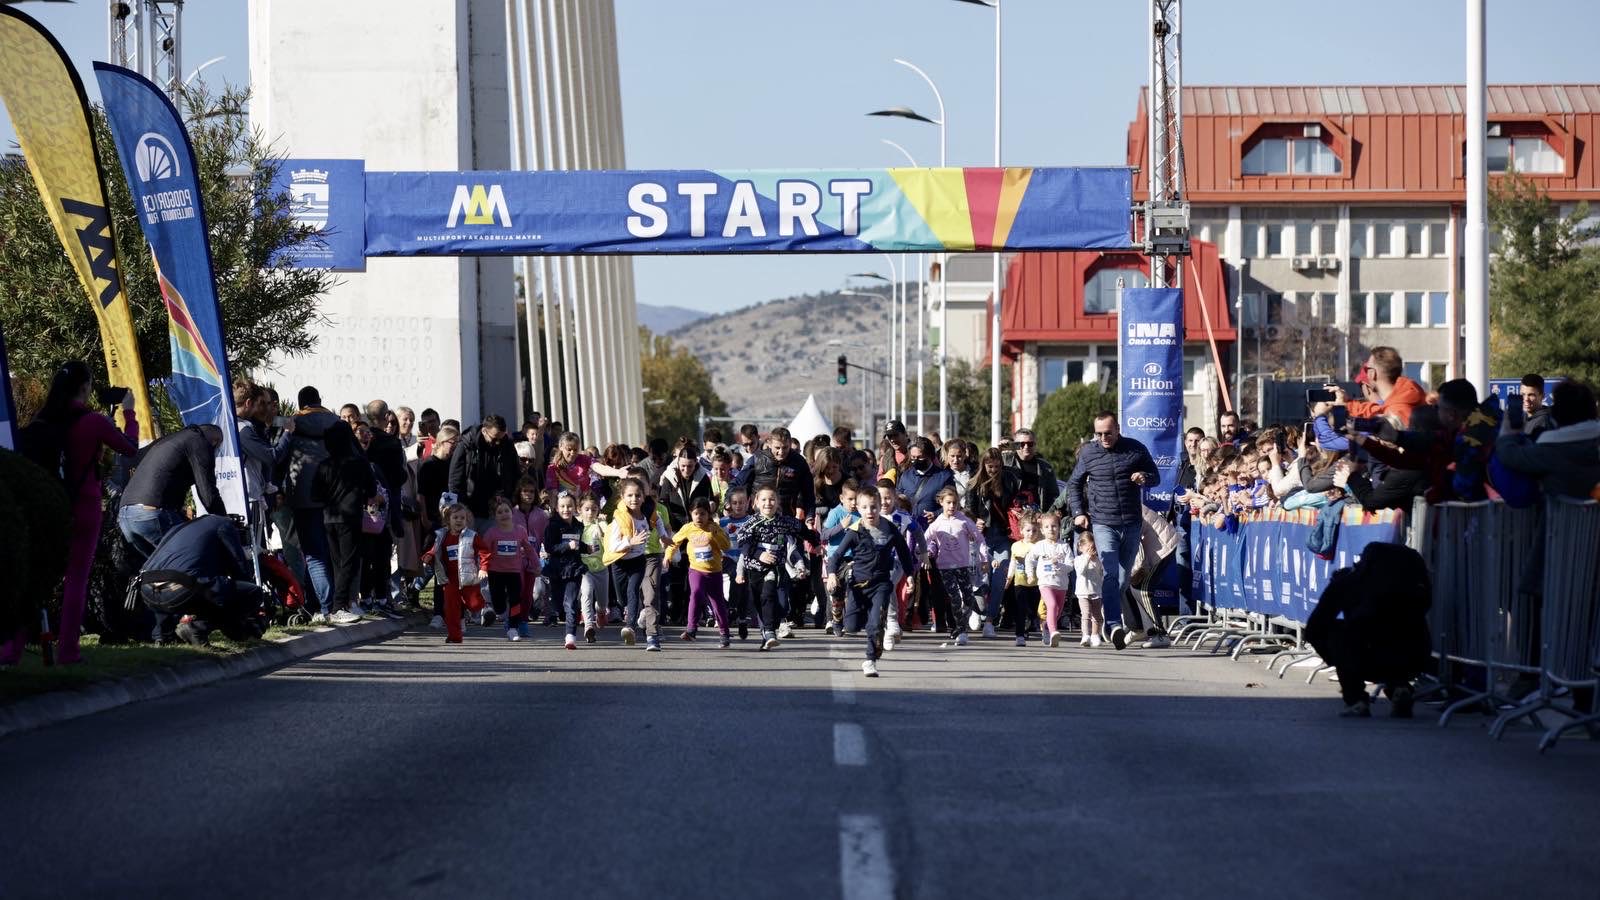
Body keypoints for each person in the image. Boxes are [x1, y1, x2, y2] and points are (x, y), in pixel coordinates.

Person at [2, 362, 139, 665]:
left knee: (38, 579)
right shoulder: (93, 422)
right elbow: (130, 448)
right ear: (85, 386)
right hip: (84, 506)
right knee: (76, 580)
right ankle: (68, 651)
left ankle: (11, 649)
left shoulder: (44, 419)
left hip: (50, 506)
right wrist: (129, 413)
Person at [1063, 411, 1159, 650]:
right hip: (1103, 522)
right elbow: (1074, 483)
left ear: (1117, 429)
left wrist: (1144, 477)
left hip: (1132, 522)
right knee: (1111, 574)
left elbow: (1155, 477)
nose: (1103, 438)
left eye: (1107, 433)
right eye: (1098, 434)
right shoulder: (1089, 452)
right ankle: (1113, 624)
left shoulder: (1135, 449)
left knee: (1124, 579)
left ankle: (1112, 618)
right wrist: (1079, 512)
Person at [1306, 542, 1432, 718]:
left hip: (1365, 658)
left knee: (1337, 632)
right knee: (1398, 633)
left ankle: (1356, 699)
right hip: (1415, 659)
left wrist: (1335, 659)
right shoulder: (1414, 587)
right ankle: (1399, 687)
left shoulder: (1348, 583)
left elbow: (1314, 628)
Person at [136, 515, 270, 647]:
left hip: (146, 589)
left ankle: (162, 636)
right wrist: (244, 613)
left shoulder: (179, 529)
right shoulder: (224, 524)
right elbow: (238, 566)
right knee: (252, 592)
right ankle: (197, 628)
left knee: (179, 583)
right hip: (181, 588)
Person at [826, 489, 914, 677]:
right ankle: (857, 617)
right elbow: (836, 556)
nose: (870, 511)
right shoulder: (855, 530)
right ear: (858, 508)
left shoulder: (889, 528)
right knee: (851, 626)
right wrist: (832, 574)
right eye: (865, 507)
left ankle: (870, 659)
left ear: (880, 507)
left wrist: (909, 575)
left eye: (874, 507)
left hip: (881, 583)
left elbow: (904, 552)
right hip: (858, 585)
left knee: (875, 624)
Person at [118, 423, 227, 562]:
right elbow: (208, 492)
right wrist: (224, 521)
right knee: (196, 557)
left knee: (161, 569)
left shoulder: (172, 440)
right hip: (152, 514)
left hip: (126, 517)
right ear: (214, 442)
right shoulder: (199, 441)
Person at [281, 386, 342, 621]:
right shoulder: (336, 422)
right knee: (328, 551)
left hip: (302, 496)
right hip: (334, 496)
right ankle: (316, 602)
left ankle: (326, 607)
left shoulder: (292, 423)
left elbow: (280, 455)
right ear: (319, 400)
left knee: (313, 554)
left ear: (300, 403)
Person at [735, 485, 817, 651]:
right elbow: (743, 544)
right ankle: (766, 633)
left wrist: (816, 542)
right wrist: (759, 555)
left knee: (769, 595)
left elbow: (802, 529)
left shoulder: (784, 522)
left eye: (772, 499)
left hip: (774, 569)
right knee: (760, 602)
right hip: (755, 569)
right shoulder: (752, 523)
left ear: (778, 502)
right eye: (764, 499)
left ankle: (770, 632)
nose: (768, 503)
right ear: (756, 502)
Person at [311, 421, 376, 624]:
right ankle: (339, 606)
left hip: (329, 517)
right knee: (349, 562)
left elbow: (315, 495)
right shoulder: (359, 463)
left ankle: (339, 604)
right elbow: (372, 489)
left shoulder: (324, 465)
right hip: (350, 517)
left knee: (337, 562)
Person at [1495, 380, 1600, 498]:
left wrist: (1507, 432)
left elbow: (1508, 455)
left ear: (1557, 413)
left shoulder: (1549, 451)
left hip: (1557, 510)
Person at [605, 477, 674, 651]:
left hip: (638, 561)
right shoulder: (619, 520)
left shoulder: (647, 513)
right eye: (629, 495)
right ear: (622, 497)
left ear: (643, 497)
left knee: (633, 591)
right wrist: (630, 542)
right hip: (619, 562)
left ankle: (630, 627)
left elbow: (658, 520)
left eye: (637, 495)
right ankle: (637, 616)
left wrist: (663, 535)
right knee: (622, 599)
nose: (634, 499)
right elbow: (612, 546)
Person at [925, 486, 989, 648]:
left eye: (955, 502)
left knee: (968, 598)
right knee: (954, 598)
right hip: (945, 567)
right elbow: (925, 539)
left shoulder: (964, 521)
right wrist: (922, 554)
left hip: (962, 566)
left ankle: (962, 623)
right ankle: (961, 631)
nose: (952, 506)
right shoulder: (937, 523)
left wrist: (984, 559)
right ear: (941, 502)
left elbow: (980, 539)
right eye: (948, 502)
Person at [966, 447, 1020, 638]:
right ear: (984, 465)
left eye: (997, 466)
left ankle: (989, 621)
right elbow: (968, 510)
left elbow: (1014, 503)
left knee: (999, 579)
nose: (994, 470)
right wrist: (975, 520)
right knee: (982, 579)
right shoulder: (974, 484)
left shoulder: (1009, 480)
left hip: (1004, 536)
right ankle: (976, 610)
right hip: (983, 538)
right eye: (990, 467)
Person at [667, 496, 733, 646]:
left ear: (708, 514)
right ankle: (691, 629)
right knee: (696, 594)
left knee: (718, 603)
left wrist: (715, 534)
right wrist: (668, 556)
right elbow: (674, 542)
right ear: (691, 514)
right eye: (696, 513)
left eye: (703, 514)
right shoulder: (688, 528)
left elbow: (726, 546)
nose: (699, 517)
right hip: (696, 570)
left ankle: (724, 633)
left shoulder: (714, 528)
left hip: (714, 572)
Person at [422, 503, 491, 644]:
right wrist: (428, 556)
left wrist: (484, 568)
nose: (459, 520)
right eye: (455, 517)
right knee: (451, 608)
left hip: (468, 577)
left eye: (462, 518)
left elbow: (484, 552)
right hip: (450, 579)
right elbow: (435, 550)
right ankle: (455, 636)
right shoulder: (442, 536)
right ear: (448, 520)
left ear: (467, 520)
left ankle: (484, 608)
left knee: (474, 604)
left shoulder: (472, 536)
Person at [449, 414, 520, 533]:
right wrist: (460, 508)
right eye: (494, 439)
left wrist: (507, 498)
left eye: (501, 438)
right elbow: (454, 480)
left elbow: (515, 474)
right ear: (484, 431)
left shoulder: (507, 445)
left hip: (494, 510)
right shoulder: (466, 445)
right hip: (468, 508)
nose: (498, 443)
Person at [1332, 346, 1429, 428]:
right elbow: (1376, 410)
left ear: (1372, 373)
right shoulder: (1404, 397)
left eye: (1366, 369)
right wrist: (1347, 404)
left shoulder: (1397, 412)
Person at [737, 426, 816, 517]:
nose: (781, 452)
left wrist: (810, 516)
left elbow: (808, 494)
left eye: (785, 447)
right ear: (769, 444)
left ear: (790, 444)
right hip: (758, 515)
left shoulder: (799, 462)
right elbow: (738, 483)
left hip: (786, 516)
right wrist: (729, 503)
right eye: (777, 448)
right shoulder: (757, 459)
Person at [1024, 512, 1075, 648]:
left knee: (1057, 612)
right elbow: (1029, 559)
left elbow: (1071, 565)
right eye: (1046, 527)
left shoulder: (1064, 546)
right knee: (1052, 606)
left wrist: (1059, 565)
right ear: (1042, 530)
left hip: (1061, 584)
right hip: (1045, 583)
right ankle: (1053, 632)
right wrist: (1030, 574)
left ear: (1059, 528)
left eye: (1054, 526)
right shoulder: (1039, 545)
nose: (1050, 529)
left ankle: (1046, 627)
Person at [543, 492, 587, 649]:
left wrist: (586, 548)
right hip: (557, 569)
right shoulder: (552, 526)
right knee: (559, 604)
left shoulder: (578, 526)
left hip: (574, 568)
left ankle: (570, 637)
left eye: (569, 506)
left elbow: (578, 544)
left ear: (575, 508)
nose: (566, 509)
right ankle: (562, 614)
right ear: (556, 508)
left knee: (571, 602)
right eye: (562, 506)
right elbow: (550, 547)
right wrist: (567, 546)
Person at [719, 486, 756, 641]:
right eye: (735, 503)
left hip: (746, 558)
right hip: (728, 558)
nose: (738, 506)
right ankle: (732, 608)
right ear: (729, 504)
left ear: (748, 503)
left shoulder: (752, 521)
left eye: (741, 502)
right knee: (735, 574)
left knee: (744, 588)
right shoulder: (723, 522)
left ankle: (741, 619)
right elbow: (718, 541)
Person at [895, 437, 953, 525]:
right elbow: (898, 500)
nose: (916, 460)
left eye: (920, 457)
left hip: (934, 527)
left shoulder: (944, 477)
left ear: (930, 456)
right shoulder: (905, 476)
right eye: (913, 457)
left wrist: (936, 514)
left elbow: (952, 503)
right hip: (909, 527)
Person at [576, 494, 610, 642]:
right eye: (587, 509)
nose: (590, 513)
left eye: (594, 509)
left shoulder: (600, 524)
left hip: (601, 568)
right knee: (587, 593)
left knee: (603, 601)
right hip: (585, 569)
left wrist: (602, 524)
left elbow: (608, 537)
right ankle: (588, 625)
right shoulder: (577, 524)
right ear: (580, 510)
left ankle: (601, 612)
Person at [1004, 511, 1041, 646]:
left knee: (1033, 610)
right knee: (1021, 609)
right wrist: (1009, 578)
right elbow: (1013, 562)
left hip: (1035, 583)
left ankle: (1031, 623)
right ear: (1021, 531)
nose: (1031, 533)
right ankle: (1019, 635)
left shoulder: (1039, 546)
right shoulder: (1016, 546)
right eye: (1028, 530)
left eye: (1034, 530)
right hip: (1020, 583)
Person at [1002, 428, 1059, 514]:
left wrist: (1048, 515)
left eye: (1030, 444)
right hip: (1011, 514)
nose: (1026, 447)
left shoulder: (1046, 468)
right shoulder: (1005, 464)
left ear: (1035, 445)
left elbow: (1053, 495)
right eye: (1022, 444)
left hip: (1038, 515)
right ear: (1015, 445)